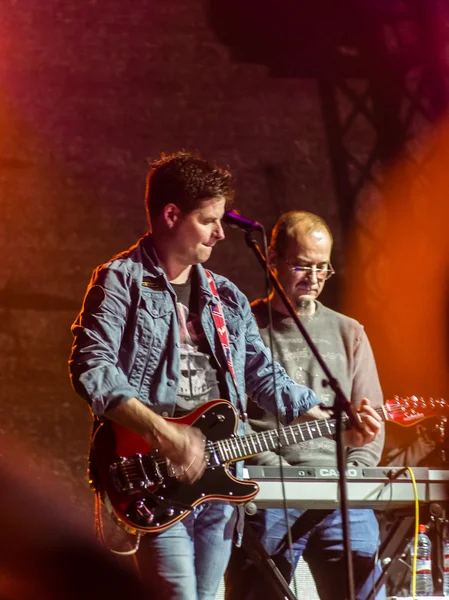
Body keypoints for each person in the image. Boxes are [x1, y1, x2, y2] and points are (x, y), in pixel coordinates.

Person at [69, 155, 381, 600]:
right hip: (153, 471)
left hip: (218, 473)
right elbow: (91, 366)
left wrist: (324, 413)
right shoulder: (121, 281)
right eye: (209, 220)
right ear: (172, 215)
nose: (219, 232)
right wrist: (164, 433)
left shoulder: (224, 295)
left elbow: (261, 372)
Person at [225, 211, 385, 600]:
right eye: (302, 265)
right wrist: (272, 472)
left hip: (342, 492)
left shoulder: (349, 332)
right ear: (273, 259)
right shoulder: (243, 326)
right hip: (269, 492)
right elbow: (227, 416)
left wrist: (354, 474)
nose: (313, 278)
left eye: (322, 268)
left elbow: (371, 417)